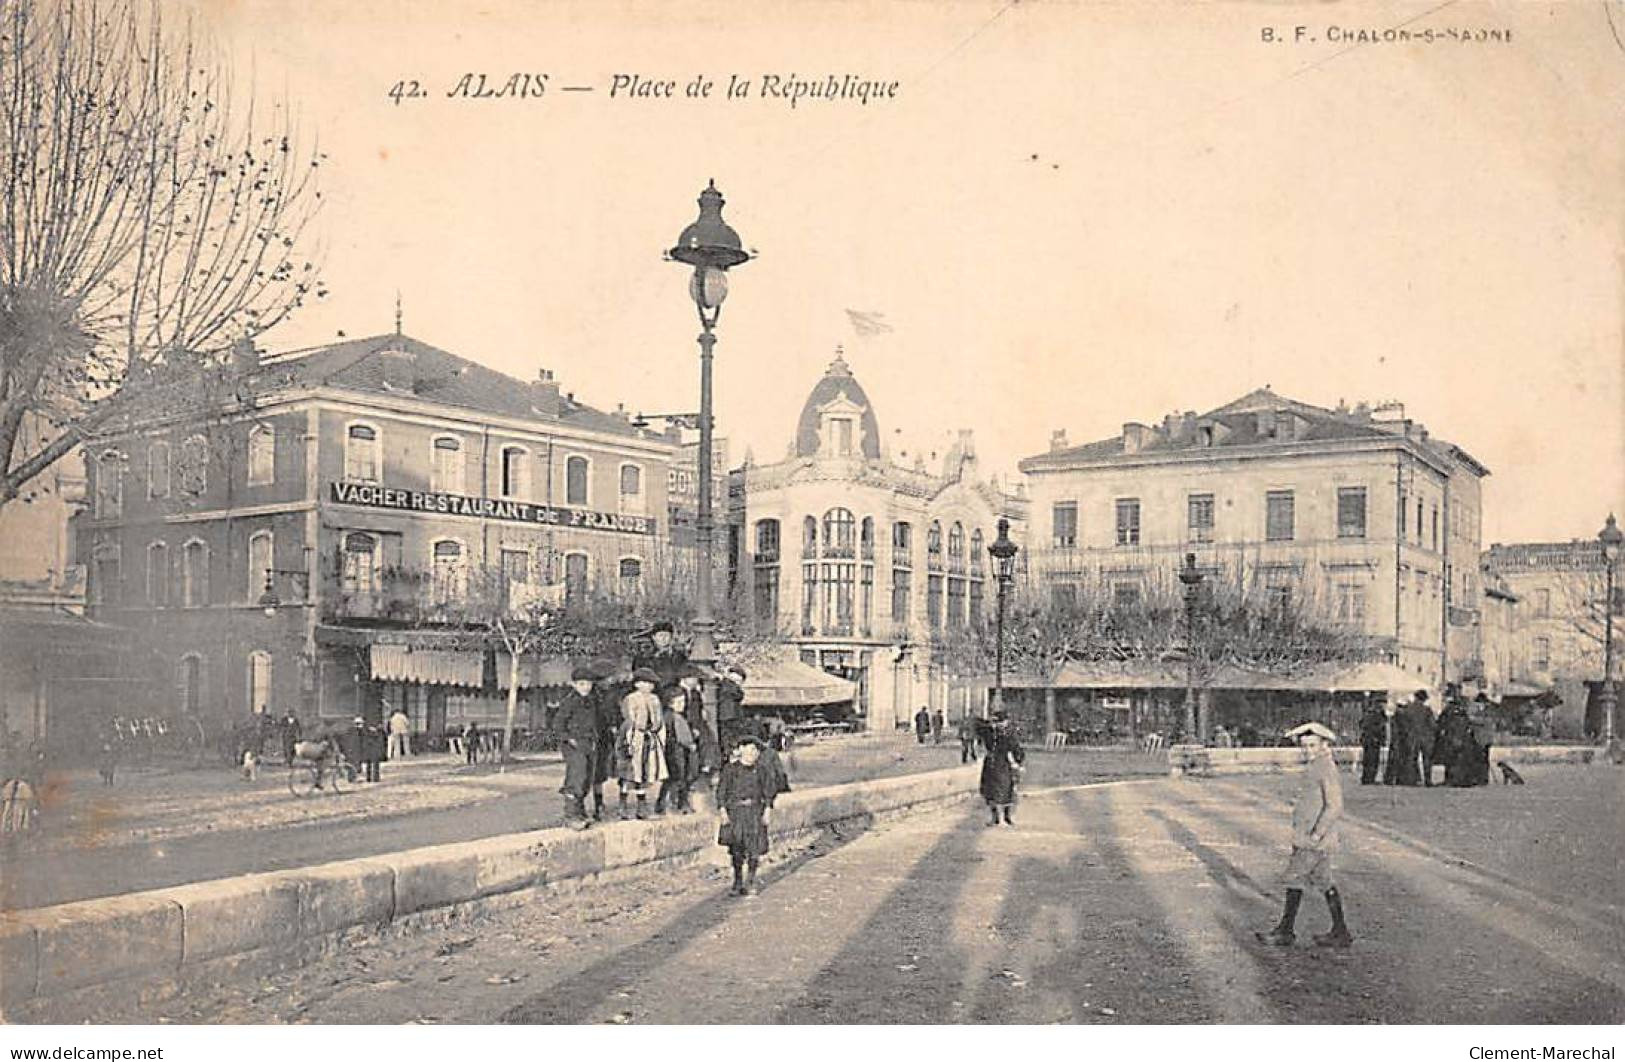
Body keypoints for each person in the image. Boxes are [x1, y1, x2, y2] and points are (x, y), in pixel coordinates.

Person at [1256, 721, 1354, 949]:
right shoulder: (1317, 766)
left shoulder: (1325, 768)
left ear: (1323, 745)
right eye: (1304, 746)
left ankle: (1285, 931)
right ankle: (1340, 932)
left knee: (1294, 878)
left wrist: (1318, 833)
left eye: (1312, 745)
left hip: (1314, 838)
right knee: (1323, 880)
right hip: (1311, 836)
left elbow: (1335, 805)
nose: (1308, 750)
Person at [716, 736, 783, 897]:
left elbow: (769, 792)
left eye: (756, 750)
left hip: (754, 812)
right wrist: (723, 811)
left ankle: (751, 881)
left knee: (754, 849)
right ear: (741, 750)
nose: (753, 753)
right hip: (736, 813)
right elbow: (721, 792)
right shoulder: (730, 770)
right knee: (736, 849)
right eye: (750, 749)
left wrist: (767, 810)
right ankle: (737, 881)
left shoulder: (762, 770)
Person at [617, 668, 669, 820]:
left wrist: (657, 732)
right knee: (630, 771)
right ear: (637, 684)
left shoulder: (654, 699)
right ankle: (623, 805)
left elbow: (658, 719)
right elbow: (629, 719)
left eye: (651, 684)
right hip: (634, 737)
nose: (649, 686)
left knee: (645, 770)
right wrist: (631, 736)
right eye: (645, 683)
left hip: (649, 737)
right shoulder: (631, 699)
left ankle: (642, 806)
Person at [551, 666, 599, 829]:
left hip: (589, 743)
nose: (586, 687)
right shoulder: (569, 702)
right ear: (574, 685)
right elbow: (557, 725)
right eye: (582, 684)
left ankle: (580, 811)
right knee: (576, 777)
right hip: (573, 745)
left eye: (588, 684)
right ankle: (570, 815)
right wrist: (569, 739)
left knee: (587, 778)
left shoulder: (591, 701)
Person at [589, 662, 625, 821]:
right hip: (597, 736)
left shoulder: (612, 694)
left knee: (618, 768)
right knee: (597, 772)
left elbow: (617, 713)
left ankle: (620, 802)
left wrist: (617, 726)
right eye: (607, 678)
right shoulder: (591, 696)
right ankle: (598, 804)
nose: (610, 681)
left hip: (611, 736)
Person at [657, 688, 699, 815]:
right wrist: (691, 743)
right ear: (670, 703)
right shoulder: (677, 718)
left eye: (683, 702)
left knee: (669, 779)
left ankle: (661, 804)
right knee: (681, 778)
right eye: (679, 702)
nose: (683, 705)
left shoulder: (665, 716)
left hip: (669, 750)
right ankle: (678, 804)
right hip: (678, 751)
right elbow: (683, 737)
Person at [979, 712, 1025, 827]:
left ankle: (1007, 816)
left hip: (1004, 763)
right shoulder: (989, 732)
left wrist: (1018, 762)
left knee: (1007, 789)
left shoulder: (1009, 734)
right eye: (996, 722)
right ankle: (994, 817)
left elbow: (1016, 748)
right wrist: (990, 724)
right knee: (989, 790)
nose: (998, 724)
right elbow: (979, 727)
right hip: (990, 764)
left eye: (999, 722)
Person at [633, 621, 689, 691]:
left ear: (671, 637)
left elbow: (684, 674)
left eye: (666, 635)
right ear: (654, 637)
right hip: (650, 690)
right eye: (660, 635)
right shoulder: (644, 656)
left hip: (672, 690)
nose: (663, 638)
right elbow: (638, 674)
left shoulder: (679, 656)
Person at [1403, 690, 1434, 786]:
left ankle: (1412, 780)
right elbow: (1433, 724)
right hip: (1425, 737)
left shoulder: (1408, 709)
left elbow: (1404, 724)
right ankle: (1428, 780)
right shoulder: (1427, 710)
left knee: (1412, 759)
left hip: (1412, 737)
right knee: (1427, 759)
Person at [716, 664, 748, 755]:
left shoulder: (724, 685)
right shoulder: (730, 687)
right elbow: (739, 695)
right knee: (729, 737)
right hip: (729, 716)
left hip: (727, 716)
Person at [1358, 700, 1386, 785]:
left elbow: (1361, 724)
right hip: (1373, 740)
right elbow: (1379, 728)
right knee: (1372, 760)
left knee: (1367, 760)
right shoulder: (1376, 715)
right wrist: (1381, 738)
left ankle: (1366, 778)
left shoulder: (1368, 713)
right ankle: (1370, 778)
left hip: (1367, 740)